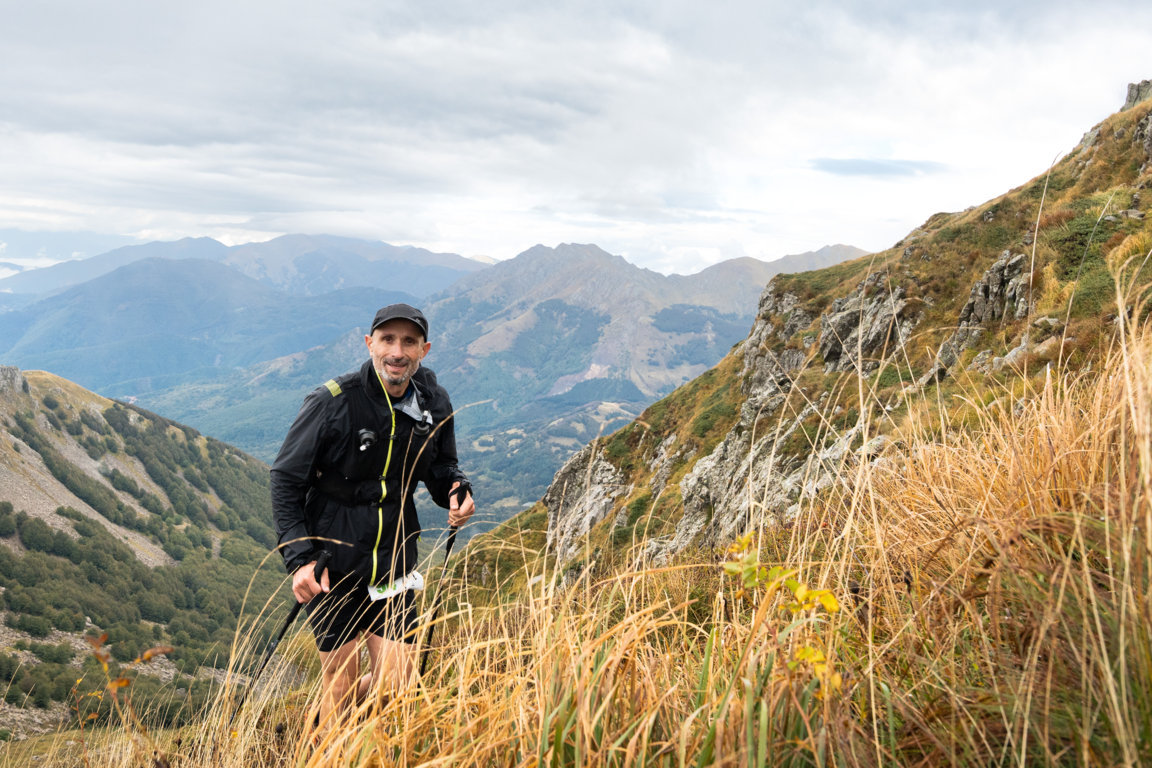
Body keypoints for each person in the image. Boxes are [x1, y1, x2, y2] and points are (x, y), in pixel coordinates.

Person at [271, 303, 474, 725]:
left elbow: (441, 467)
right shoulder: (333, 402)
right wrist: (300, 560)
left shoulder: (433, 402)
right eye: (387, 340)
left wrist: (456, 489)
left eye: (409, 342)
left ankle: (329, 727)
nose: (397, 352)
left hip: (395, 558)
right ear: (369, 344)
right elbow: (286, 480)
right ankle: (322, 744)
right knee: (341, 684)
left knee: (398, 687)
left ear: (424, 350)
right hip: (332, 564)